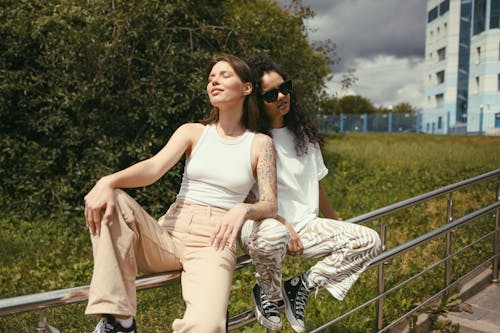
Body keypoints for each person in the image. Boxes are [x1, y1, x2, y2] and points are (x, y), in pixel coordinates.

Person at [83, 54, 278, 333]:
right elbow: (153, 168)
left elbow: (270, 203)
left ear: (246, 87)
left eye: (224, 75)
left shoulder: (260, 143)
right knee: (110, 199)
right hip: (170, 234)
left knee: (208, 325)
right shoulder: (193, 132)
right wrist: (107, 181)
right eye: (211, 78)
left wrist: (243, 209)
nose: (214, 81)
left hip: (214, 242)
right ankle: (119, 322)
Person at [240, 55, 382, 333]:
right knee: (273, 237)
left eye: (285, 87)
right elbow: (240, 196)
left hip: (306, 226)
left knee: (369, 240)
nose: (282, 96)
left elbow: (316, 183)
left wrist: (337, 221)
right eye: (271, 94)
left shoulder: (303, 135)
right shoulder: (250, 140)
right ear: (257, 101)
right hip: (264, 225)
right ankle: (267, 294)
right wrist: (282, 223)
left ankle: (299, 286)